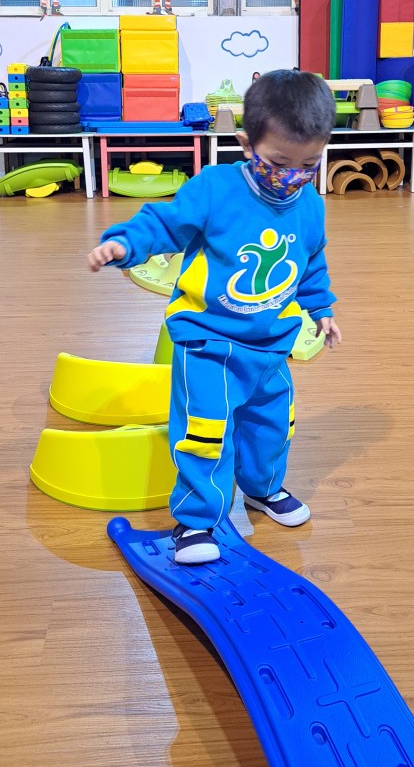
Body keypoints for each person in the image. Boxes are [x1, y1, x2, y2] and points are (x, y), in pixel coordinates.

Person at [87, 69, 341, 565]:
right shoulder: (215, 188)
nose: (293, 175)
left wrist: (322, 308)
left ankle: (262, 490)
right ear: (247, 144)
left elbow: (311, 259)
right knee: (203, 433)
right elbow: (164, 223)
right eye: (279, 162)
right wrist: (124, 244)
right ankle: (197, 521)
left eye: (309, 164)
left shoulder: (309, 203)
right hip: (209, 342)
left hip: (271, 345)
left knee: (273, 426)